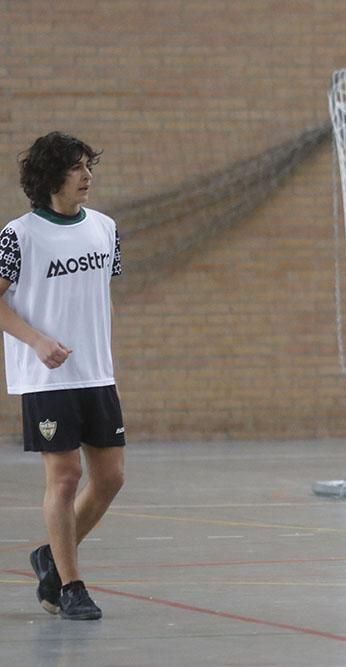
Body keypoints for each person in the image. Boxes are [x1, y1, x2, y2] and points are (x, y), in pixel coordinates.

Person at [0, 132, 126, 621]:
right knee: (66, 475)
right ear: (51, 177)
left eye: (88, 166)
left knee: (111, 478)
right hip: (45, 376)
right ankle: (70, 584)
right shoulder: (19, 235)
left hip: (96, 372)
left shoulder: (106, 229)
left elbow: (94, 295)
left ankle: (49, 556)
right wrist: (36, 340)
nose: (87, 176)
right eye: (76, 168)